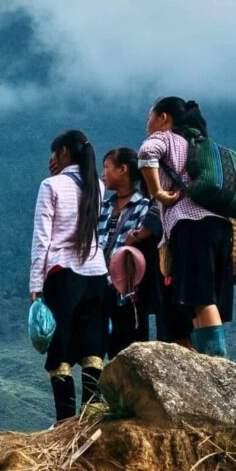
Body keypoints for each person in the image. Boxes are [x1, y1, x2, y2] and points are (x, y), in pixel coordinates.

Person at [139, 97, 234, 357]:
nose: (147, 124)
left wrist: (157, 191)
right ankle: (207, 359)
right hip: (222, 226)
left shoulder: (168, 139)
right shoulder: (203, 145)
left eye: (150, 117)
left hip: (192, 226)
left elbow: (146, 154)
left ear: (164, 118)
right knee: (198, 299)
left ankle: (217, 365)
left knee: (201, 297)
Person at [29, 128, 109, 420]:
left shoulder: (50, 186)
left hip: (63, 272)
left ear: (63, 153)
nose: (50, 159)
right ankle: (92, 409)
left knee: (59, 345)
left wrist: (36, 284)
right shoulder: (98, 187)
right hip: (96, 271)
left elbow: (42, 239)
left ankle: (65, 419)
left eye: (54, 152)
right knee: (92, 341)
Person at [97, 145, 161, 356]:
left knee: (130, 354)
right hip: (99, 288)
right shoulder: (103, 207)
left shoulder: (144, 206)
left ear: (122, 169)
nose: (103, 173)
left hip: (129, 294)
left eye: (107, 167)